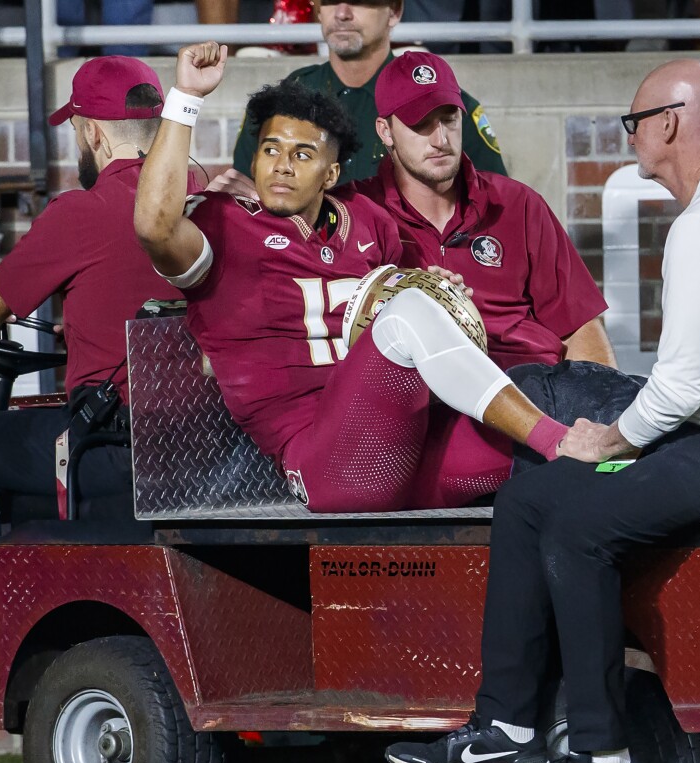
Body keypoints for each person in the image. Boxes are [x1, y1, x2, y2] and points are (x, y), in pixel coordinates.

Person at [384, 59, 700, 763]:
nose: (630, 137)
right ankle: (508, 729)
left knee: (578, 522)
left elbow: (682, 386)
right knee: (536, 488)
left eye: (634, 123)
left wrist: (608, 440)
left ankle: (601, 762)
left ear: (667, 123)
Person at [135, 42, 574, 514]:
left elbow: (403, 315)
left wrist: (444, 294)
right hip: (329, 467)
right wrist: (185, 97)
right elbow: (154, 225)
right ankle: (558, 440)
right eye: (270, 150)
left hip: (406, 447)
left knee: (563, 398)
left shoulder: (368, 220)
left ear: (332, 174)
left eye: (303, 155)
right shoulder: (223, 224)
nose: (282, 165)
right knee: (412, 316)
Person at [0, 57, 183, 701]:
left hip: (114, 449)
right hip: (195, 447)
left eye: (78, 126)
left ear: (91, 133)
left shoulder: (84, 211)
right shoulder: (206, 199)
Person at [343, 51, 615, 371]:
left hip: (533, 384)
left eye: (449, 119)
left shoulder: (518, 204)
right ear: (385, 131)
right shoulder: (356, 212)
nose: (440, 139)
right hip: (423, 391)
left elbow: (580, 325)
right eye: (421, 124)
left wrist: (599, 412)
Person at [229, 1, 506, 185]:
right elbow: (245, 190)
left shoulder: (438, 99)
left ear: (394, 11)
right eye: (329, 1)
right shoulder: (284, 99)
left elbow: (494, 197)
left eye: (359, 0)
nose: (342, 13)